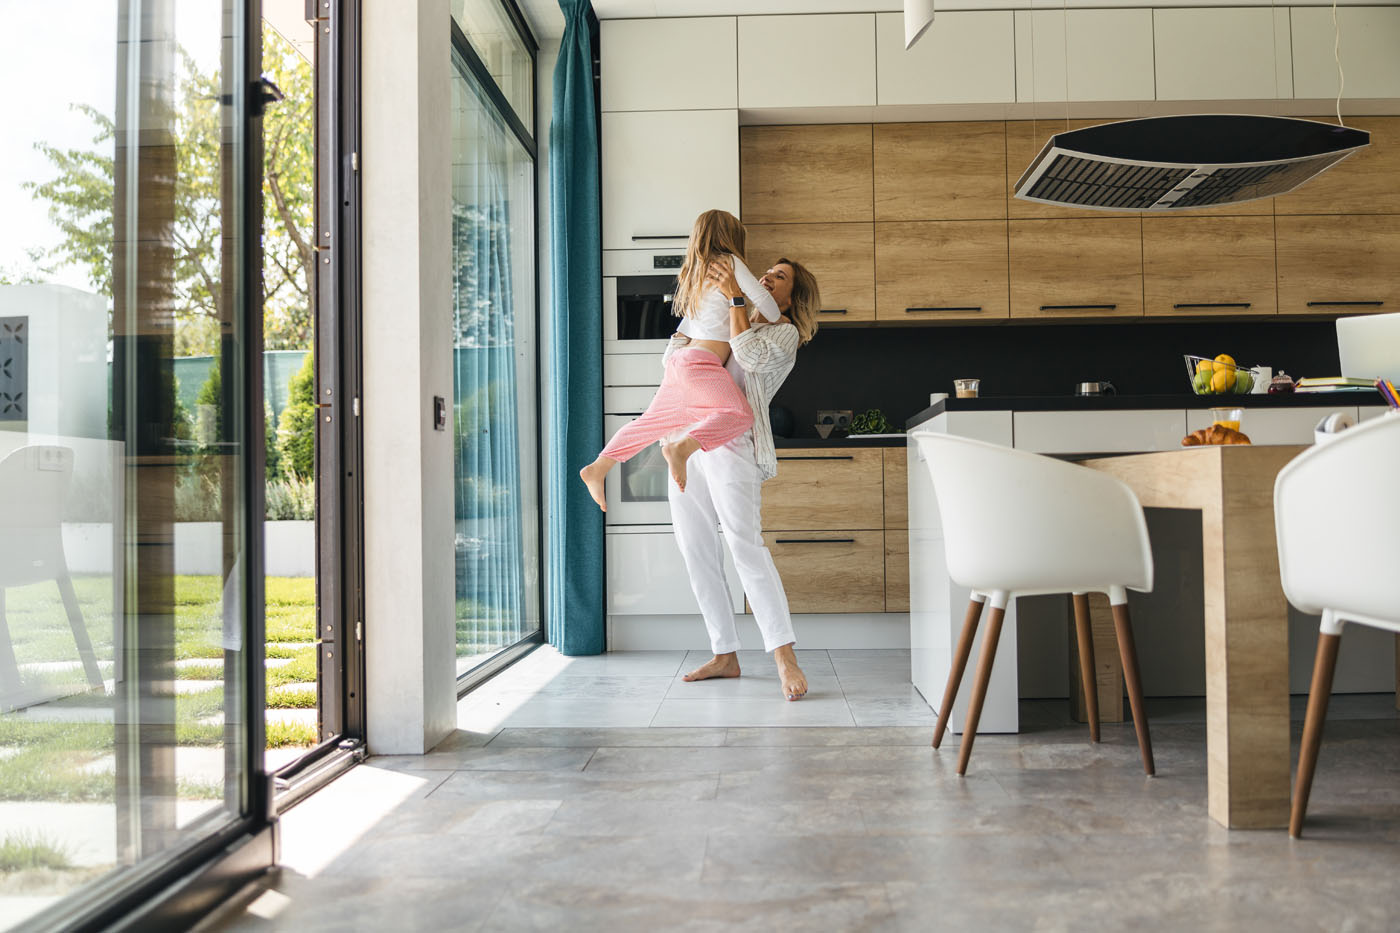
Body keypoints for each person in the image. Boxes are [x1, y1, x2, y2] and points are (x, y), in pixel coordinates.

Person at [668, 256, 821, 701]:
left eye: (780, 278)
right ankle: (724, 654)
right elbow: (673, 358)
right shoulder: (720, 314)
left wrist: (737, 298)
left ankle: (784, 656)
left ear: (792, 299)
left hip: (734, 444)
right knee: (695, 547)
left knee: (745, 547)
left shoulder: (783, 333)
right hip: (688, 441)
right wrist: (703, 314)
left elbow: (749, 357)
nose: (768, 278)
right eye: (767, 272)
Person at [579, 210, 781, 507]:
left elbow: (686, 325)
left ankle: (599, 467)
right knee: (740, 414)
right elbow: (772, 312)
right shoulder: (730, 263)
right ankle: (682, 448)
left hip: (681, 362)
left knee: (649, 423)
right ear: (731, 238)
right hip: (700, 364)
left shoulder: (694, 271)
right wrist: (738, 293)